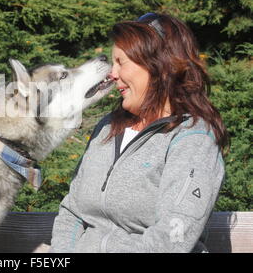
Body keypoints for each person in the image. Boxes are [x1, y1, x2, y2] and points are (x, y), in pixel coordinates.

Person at [49, 13, 229, 253]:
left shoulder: (193, 139)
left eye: (120, 62)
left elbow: (171, 241)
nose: (111, 74)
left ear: (159, 65)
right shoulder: (107, 128)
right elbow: (72, 212)